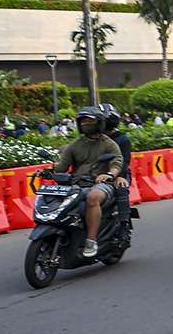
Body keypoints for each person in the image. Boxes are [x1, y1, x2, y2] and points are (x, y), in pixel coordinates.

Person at [51, 107, 123, 258]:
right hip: (77, 184)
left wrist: (109, 174)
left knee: (93, 197)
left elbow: (117, 163)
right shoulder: (75, 145)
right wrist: (48, 169)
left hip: (102, 184)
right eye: (83, 121)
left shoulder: (109, 144)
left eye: (89, 121)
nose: (85, 124)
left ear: (99, 123)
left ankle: (91, 241)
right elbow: (61, 167)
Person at [99, 103, 133, 246]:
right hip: (94, 174)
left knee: (121, 188)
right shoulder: (92, 138)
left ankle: (124, 226)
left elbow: (124, 161)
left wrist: (118, 175)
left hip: (119, 174)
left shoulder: (122, 139)